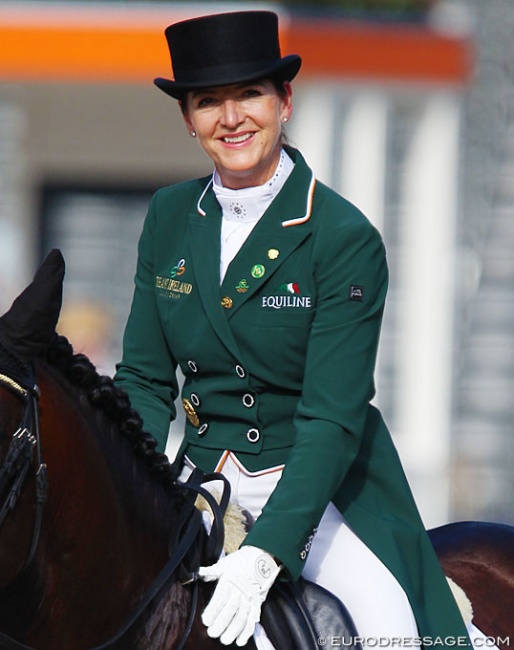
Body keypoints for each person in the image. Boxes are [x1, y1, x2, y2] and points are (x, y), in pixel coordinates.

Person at [114, 10, 471, 649]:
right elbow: (142, 379)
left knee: (391, 631)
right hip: (197, 481)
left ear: (285, 102)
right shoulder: (168, 216)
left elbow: (332, 420)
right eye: (207, 102)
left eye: (249, 94)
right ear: (188, 119)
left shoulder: (341, 237)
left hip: (318, 490)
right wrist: (133, 487)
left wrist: (264, 554)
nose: (231, 119)